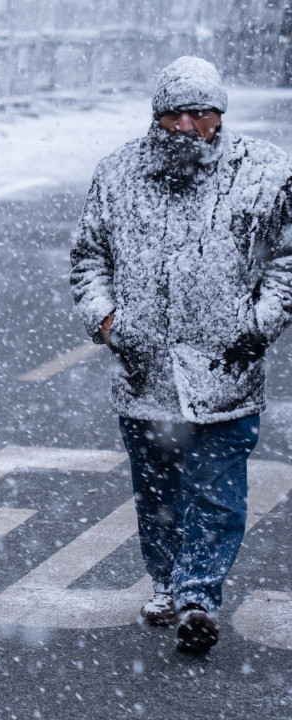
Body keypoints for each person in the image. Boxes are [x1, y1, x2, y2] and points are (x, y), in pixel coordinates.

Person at [71, 56, 292, 654]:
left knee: (217, 490)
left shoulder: (266, 171)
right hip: (145, 373)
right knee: (157, 489)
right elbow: (89, 256)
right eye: (176, 112)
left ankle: (199, 595)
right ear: (156, 115)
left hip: (229, 368)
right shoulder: (118, 174)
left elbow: (285, 259)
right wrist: (108, 321)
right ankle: (166, 580)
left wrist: (259, 323)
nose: (188, 126)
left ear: (221, 114)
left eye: (202, 112)